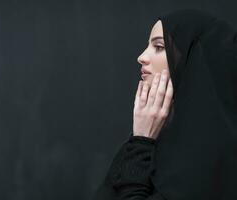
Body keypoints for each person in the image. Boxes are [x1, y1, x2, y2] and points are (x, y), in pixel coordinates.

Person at [92, 8, 237, 200]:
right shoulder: (159, 135)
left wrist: (142, 143)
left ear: (192, 58)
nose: (141, 57)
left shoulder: (210, 156)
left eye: (159, 47)